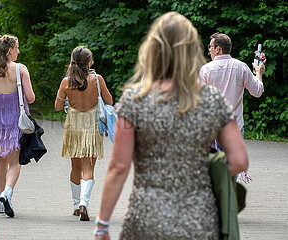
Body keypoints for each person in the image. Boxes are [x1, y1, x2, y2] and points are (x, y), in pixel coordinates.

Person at [94, 12, 248, 239]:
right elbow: (239, 161)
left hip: (147, 220)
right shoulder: (213, 100)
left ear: (152, 50)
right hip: (200, 220)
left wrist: (102, 226)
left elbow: (118, 167)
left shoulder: (133, 100)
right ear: (191, 50)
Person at [0, 34, 35, 218]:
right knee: (15, 163)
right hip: (15, 123)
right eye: (17, 47)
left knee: (1, 161)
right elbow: (31, 97)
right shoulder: (20, 69)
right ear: (10, 50)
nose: (18, 51)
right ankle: (7, 193)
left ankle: (0, 201)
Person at [55, 46, 113, 221]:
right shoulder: (97, 79)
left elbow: (58, 107)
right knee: (89, 167)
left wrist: (66, 99)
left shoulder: (66, 82)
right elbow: (109, 101)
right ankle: (84, 203)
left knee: (75, 167)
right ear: (89, 62)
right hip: (92, 125)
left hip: (73, 125)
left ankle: (75, 205)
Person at [200, 32, 265, 150]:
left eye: (210, 47)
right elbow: (257, 91)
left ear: (218, 49)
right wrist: (258, 73)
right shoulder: (241, 67)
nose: (209, 50)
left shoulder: (206, 70)